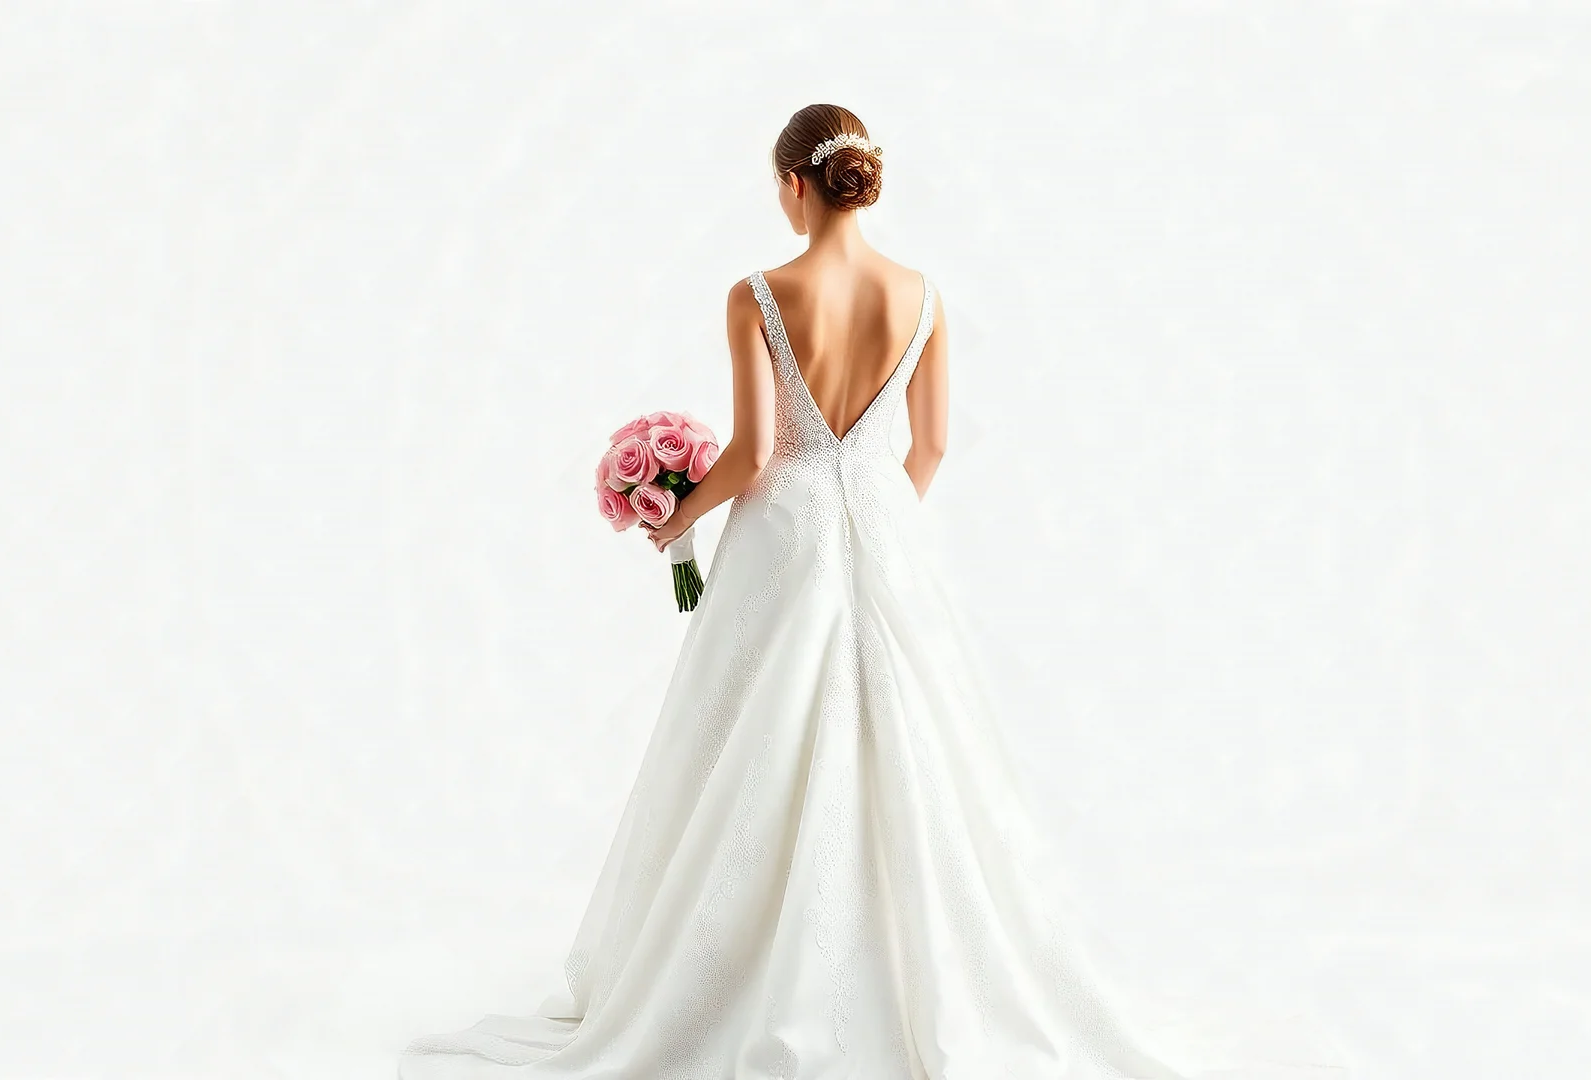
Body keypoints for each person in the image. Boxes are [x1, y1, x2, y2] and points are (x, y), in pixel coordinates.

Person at [400, 104, 1342, 1080]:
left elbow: (754, 454)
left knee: (759, 739)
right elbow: (930, 446)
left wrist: (679, 519)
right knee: (913, 740)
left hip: (783, 536)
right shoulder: (922, 296)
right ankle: (909, 968)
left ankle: (744, 969)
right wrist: (879, 531)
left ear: (793, 184)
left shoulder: (757, 294)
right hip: (889, 530)